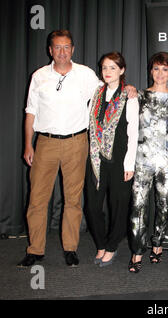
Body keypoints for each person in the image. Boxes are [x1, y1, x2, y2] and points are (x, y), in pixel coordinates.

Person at [18, 30, 101, 267]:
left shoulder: (85, 74)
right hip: (45, 143)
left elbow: (106, 93)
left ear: (73, 49)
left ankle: (70, 248)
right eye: (57, 47)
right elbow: (30, 112)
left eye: (66, 47)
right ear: (50, 50)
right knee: (37, 199)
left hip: (77, 142)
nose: (62, 52)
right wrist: (27, 144)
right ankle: (35, 250)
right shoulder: (39, 76)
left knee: (73, 200)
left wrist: (128, 89)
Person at [128, 52, 168, 273]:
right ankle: (137, 251)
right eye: (156, 68)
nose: (160, 73)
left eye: (164, 69)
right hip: (142, 159)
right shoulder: (138, 96)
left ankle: (158, 244)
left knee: (163, 205)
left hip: (167, 160)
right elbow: (131, 129)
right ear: (151, 71)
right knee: (138, 206)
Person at [85, 52, 139, 267]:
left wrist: (129, 164)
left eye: (113, 68)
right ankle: (100, 244)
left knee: (118, 205)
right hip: (96, 159)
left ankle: (112, 246)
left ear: (122, 70)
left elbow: (134, 133)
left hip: (120, 159)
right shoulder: (96, 92)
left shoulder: (129, 96)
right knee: (92, 205)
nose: (107, 72)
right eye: (105, 68)